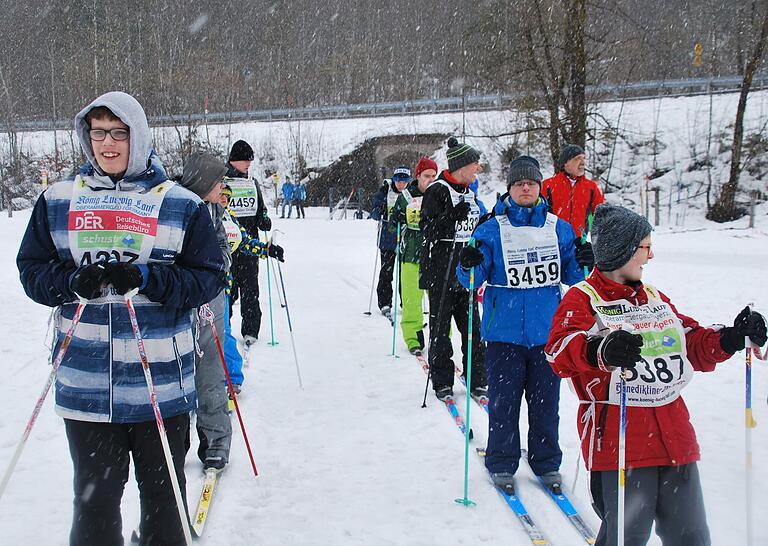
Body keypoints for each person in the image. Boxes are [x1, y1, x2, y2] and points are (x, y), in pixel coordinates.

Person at [16, 91, 226, 546]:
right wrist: (70, 281)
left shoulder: (180, 204)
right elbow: (31, 272)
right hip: (87, 385)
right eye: (98, 133)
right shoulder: (57, 201)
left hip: (160, 386)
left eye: (118, 133)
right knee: (93, 502)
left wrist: (150, 279)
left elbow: (208, 278)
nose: (107, 144)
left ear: (139, 135)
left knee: (164, 499)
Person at [545, 204, 767, 546]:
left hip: (674, 438)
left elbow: (689, 340)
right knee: (626, 538)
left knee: (691, 537)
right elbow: (558, 351)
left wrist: (730, 338)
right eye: (645, 247)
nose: (650, 256)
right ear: (622, 251)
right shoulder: (582, 298)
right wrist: (598, 350)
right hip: (621, 443)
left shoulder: (651, 296)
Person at [456, 155, 584, 493]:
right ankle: (501, 461)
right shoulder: (491, 228)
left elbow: (575, 276)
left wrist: (586, 259)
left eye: (530, 182)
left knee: (546, 405)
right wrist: (467, 263)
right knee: (504, 403)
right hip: (504, 334)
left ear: (540, 187)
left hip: (546, 334)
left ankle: (546, 462)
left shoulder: (558, 227)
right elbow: (471, 280)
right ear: (510, 189)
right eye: (518, 183)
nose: (525, 187)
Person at [178, 152, 235, 472]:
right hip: (179, 300)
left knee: (210, 369)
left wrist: (213, 273)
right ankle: (176, 440)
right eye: (218, 181)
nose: (223, 187)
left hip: (209, 299)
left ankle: (216, 438)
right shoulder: (176, 205)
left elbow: (222, 251)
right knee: (178, 371)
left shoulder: (213, 210)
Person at [419, 137, 487, 401]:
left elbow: (475, 227)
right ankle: (442, 380)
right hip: (441, 272)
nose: (478, 169)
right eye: (474, 164)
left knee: (472, 328)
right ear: (461, 166)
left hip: (465, 272)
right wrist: (449, 218)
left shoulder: (470, 192)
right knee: (440, 329)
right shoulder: (437, 190)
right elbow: (427, 230)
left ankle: (477, 378)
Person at [225, 140, 272, 346]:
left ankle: (251, 329)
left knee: (251, 289)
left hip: (250, 244)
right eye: (245, 160)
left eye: (250, 161)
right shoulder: (223, 181)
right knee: (228, 290)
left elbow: (260, 207)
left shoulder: (252, 183)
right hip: (228, 246)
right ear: (234, 160)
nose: (248, 164)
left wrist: (263, 218)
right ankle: (223, 327)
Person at [389, 157, 437, 354]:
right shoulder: (407, 196)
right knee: (411, 299)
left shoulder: (439, 193)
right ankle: (413, 337)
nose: (431, 180)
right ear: (418, 176)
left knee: (437, 300)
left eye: (434, 176)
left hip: (434, 254)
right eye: (427, 176)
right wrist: (398, 220)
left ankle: (440, 337)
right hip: (410, 253)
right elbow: (392, 224)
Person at [370, 167, 410, 321]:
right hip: (388, 239)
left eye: (404, 181)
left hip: (406, 240)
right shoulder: (385, 191)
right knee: (387, 272)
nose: (401, 184)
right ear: (393, 180)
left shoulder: (410, 192)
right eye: (398, 180)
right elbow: (374, 212)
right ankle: (385, 302)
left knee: (405, 274)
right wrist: (381, 211)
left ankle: (406, 303)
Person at [541, 143, 604, 238]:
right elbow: (537, 213)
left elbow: (602, 215)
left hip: (580, 242)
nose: (582, 162)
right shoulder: (547, 185)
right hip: (554, 240)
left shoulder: (591, 187)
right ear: (566, 163)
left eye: (583, 158)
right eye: (577, 158)